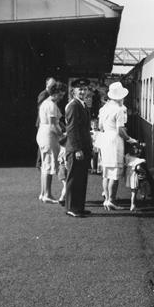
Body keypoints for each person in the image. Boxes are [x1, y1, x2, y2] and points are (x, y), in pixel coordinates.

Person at [98, 82, 137, 211]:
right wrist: (130, 139)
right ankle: (111, 200)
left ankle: (106, 199)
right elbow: (120, 130)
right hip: (115, 140)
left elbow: (100, 127)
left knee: (106, 172)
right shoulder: (119, 110)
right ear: (120, 97)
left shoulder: (104, 109)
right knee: (114, 173)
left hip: (105, 139)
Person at [64, 79, 94, 217]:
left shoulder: (82, 105)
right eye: (79, 89)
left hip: (83, 148)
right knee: (74, 179)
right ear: (73, 91)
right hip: (76, 149)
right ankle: (71, 208)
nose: (83, 91)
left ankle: (79, 207)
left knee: (81, 179)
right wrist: (77, 149)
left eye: (85, 89)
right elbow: (72, 129)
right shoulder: (73, 106)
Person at [36, 80, 67, 203]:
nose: (62, 97)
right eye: (61, 94)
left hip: (44, 133)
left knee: (45, 165)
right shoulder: (51, 105)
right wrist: (63, 135)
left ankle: (44, 193)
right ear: (56, 92)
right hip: (48, 135)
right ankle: (47, 194)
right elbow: (54, 125)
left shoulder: (47, 103)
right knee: (48, 165)